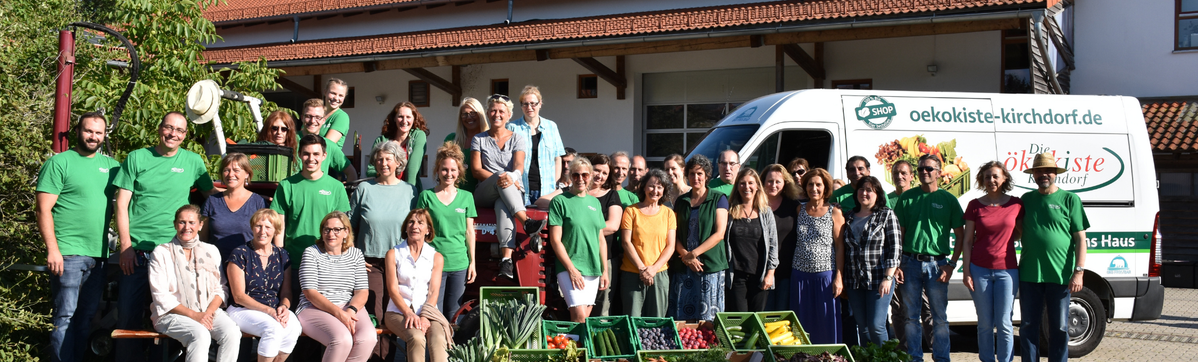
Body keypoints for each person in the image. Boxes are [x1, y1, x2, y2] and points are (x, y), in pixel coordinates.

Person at [114, 112, 215, 362]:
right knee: (128, 318)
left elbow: (211, 196)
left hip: (175, 254)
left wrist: (248, 197)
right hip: (137, 252)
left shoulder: (192, 161)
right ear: (160, 129)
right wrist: (125, 246)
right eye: (168, 128)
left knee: (174, 316)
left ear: (185, 136)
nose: (173, 134)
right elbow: (121, 204)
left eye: (179, 131)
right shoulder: (137, 157)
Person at [38, 112, 119, 362]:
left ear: (104, 135)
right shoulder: (60, 162)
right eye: (88, 131)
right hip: (68, 253)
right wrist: (53, 250)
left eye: (98, 132)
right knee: (65, 317)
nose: (93, 136)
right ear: (78, 131)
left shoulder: (113, 166)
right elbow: (43, 209)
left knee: (86, 317)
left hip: (99, 254)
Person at [893, 154, 965, 362]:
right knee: (910, 317)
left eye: (929, 169)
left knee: (939, 317)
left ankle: (942, 358)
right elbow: (900, 234)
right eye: (921, 169)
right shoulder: (907, 198)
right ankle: (915, 358)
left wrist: (951, 264)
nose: (924, 172)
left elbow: (960, 236)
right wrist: (898, 264)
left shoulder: (949, 200)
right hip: (909, 263)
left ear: (939, 173)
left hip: (938, 265)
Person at [348, 140, 416, 361]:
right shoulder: (364, 189)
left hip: (400, 262)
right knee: (375, 316)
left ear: (398, 162)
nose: (383, 163)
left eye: (388, 159)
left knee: (395, 315)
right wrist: (354, 256)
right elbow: (349, 226)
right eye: (379, 159)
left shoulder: (410, 191)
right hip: (371, 263)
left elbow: (416, 227)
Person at [1018, 152, 1089, 362]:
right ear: (1033, 175)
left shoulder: (1070, 199)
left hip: (1060, 275)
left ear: (1055, 173)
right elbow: (1016, 229)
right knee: (1028, 325)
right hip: (1030, 273)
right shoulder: (1026, 200)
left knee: (1059, 327)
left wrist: (1079, 272)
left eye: (1047, 171)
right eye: (1039, 171)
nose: (1043, 174)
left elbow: (1081, 239)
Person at [148, 205, 239, 362]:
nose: (187, 227)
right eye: (182, 222)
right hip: (170, 314)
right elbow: (161, 297)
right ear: (175, 224)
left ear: (200, 225)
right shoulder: (161, 252)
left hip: (206, 311)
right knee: (200, 334)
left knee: (232, 332)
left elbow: (221, 288)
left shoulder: (211, 250)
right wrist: (195, 316)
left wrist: (208, 313)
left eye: (191, 222)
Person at [472, 94, 546, 280]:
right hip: (485, 192)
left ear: (508, 115)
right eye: (493, 111)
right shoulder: (479, 139)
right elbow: (476, 170)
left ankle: (506, 260)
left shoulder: (518, 138)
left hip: (509, 191)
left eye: (501, 111)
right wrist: (499, 179)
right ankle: (525, 220)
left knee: (503, 206)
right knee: (500, 179)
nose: (497, 114)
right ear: (488, 114)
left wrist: (511, 177)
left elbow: (519, 166)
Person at [961, 161, 1023, 362]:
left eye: (995, 176)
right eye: (987, 177)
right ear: (982, 179)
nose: (991, 180)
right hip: (979, 270)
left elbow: (1021, 233)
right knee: (985, 323)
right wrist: (966, 271)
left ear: (1004, 178)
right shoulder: (975, 205)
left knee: (1005, 323)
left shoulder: (1016, 204)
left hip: (1007, 271)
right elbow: (968, 240)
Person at [297, 212, 376, 362]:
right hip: (314, 307)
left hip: (348, 306)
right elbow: (310, 293)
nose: (331, 234)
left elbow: (362, 292)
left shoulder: (356, 254)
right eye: (326, 229)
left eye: (336, 230)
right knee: (342, 340)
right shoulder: (312, 253)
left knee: (368, 338)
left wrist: (350, 310)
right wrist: (339, 314)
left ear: (346, 232)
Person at [271, 135, 351, 281]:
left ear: (324, 155)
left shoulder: (337, 187)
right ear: (299, 154)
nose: (311, 158)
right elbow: (279, 226)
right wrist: (279, 256)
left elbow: (343, 228)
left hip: (327, 261)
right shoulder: (286, 185)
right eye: (306, 153)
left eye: (316, 154)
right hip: (294, 261)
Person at [226, 209, 302, 362]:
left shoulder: (282, 255)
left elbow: (286, 292)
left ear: (276, 230)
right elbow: (239, 296)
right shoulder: (240, 254)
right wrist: (268, 311)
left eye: (268, 227)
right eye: (258, 226)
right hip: (242, 309)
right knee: (272, 329)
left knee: (294, 328)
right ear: (252, 227)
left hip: (273, 309)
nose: (262, 231)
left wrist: (284, 307)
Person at [384, 209, 454, 362]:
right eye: (411, 222)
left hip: (428, 312)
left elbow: (434, 291)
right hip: (397, 312)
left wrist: (424, 316)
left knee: (438, 338)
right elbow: (393, 290)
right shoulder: (393, 254)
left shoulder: (436, 257)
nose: (414, 226)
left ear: (428, 230)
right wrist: (408, 313)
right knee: (416, 337)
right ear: (405, 227)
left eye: (420, 222)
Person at [417, 142, 478, 317]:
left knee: (454, 313)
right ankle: (435, 345)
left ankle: (450, 345)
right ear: (437, 170)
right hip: (433, 263)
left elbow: (469, 232)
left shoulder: (467, 197)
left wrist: (472, 262)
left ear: (459, 172)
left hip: (459, 263)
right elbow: (419, 230)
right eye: (444, 169)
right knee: (433, 311)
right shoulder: (426, 196)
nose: (448, 174)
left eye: (453, 170)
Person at [842, 176, 902, 346]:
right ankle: (869, 358)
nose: (865, 193)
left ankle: (886, 357)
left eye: (869, 190)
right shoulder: (848, 217)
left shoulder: (886, 215)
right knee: (863, 327)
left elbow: (895, 248)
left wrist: (888, 278)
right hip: (854, 281)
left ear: (878, 194)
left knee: (876, 326)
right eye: (861, 189)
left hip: (879, 280)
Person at [548, 157, 609, 322]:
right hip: (570, 267)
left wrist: (604, 271)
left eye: (584, 175)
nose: (580, 179)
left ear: (590, 176)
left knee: (583, 320)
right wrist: (571, 269)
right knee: (579, 316)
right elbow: (555, 240)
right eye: (575, 175)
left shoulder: (595, 203)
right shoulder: (559, 201)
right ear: (570, 176)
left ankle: (574, 346)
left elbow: (601, 240)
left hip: (593, 267)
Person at [672, 154, 729, 321]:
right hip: (684, 266)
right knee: (682, 316)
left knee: (708, 317)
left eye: (699, 174)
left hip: (708, 265)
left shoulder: (719, 199)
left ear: (706, 176)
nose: (695, 178)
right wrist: (685, 255)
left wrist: (693, 254)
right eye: (691, 174)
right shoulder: (681, 201)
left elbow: (719, 234)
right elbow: (673, 232)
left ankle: (710, 347)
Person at [792, 168, 845, 344]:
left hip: (825, 276)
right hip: (800, 275)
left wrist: (838, 276)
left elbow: (839, 246)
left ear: (826, 187)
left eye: (818, 185)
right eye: (810, 184)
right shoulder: (800, 209)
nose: (814, 188)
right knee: (802, 324)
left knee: (825, 323)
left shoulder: (834, 212)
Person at [886, 159, 931, 348]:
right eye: (896, 173)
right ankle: (904, 349)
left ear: (912, 176)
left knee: (927, 308)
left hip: (917, 260)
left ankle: (934, 347)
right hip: (896, 261)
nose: (899, 177)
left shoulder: (921, 197)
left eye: (904, 173)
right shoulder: (887, 199)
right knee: (898, 309)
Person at [619, 169, 676, 317]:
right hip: (632, 273)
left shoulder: (668, 213)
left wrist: (653, 269)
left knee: (656, 321)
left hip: (659, 273)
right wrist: (642, 269)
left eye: (659, 187)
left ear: (664, 190)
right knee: (632, 319)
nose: (655, 190)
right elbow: (626, 242)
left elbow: (670, 246)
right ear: (643, 187)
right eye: (651, 186)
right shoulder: (631, 211)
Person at [725, 168, 779, 312]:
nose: (746, 187)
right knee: (740, 319)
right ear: (737, 186)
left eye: (750, 183)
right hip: (736, 276)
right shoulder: (730, 211)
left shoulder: (766, 212)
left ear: (757, 186)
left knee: (757, 319)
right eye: (742, 183)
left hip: (759, 275)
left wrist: (770, 274)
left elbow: (773, 245)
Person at [200, 153, 267, 260]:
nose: (231, 174)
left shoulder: (258, 202)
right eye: (226, 170)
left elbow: (266, 239)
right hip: (216, 264)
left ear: (247, 174)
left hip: (248, 264)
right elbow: (202, 240)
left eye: (236, 170)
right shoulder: (211, 202)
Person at [509, 85, 566, 205]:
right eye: (525, 104)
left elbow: (557, 158)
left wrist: (555, 185)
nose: (529, 107)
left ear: (540, 104)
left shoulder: (551, 127)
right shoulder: (512, 128)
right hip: (521, 189)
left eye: (533, 103)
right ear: (521, 106)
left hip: (546, 190)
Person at [587, 154, 625, 317]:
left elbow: (613, 225)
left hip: (606, 258)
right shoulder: (575, 192)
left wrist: (581, 232)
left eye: (604, 173)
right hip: (579, 257)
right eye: (596, 170)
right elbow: (542, 201)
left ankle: (598, 337)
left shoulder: (611, 195)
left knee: (603, 303)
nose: (599, 176)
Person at [760, 164, 800, 312]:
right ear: (763, 182)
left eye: (778, 182)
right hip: (762, 270)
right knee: (764, 312)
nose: (773, 185)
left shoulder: (793, 206)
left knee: (781, 314)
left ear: (785, 183)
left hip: (786, 270)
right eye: (770, 181)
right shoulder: (757, 204)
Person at [369, 102, 428, 191]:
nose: (404, 121)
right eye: (400, 116)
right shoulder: (381, 140)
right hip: (384, 189)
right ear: (394, 119)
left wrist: (408, 192)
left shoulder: (418, 136)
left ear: (414, 119)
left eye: (408, 117)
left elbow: (412, 168)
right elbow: (371, 169)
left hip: (409, 189)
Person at [299, 99, 352, 177]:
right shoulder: (290, 139)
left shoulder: (329, 145)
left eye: (317, 117)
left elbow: (351, 172)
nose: (313, 121)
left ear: (323, 120)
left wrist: (341, 189)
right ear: (302, 117)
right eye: (308, 116)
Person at [445, 97, 489, 192]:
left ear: (480, 115)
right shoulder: (451, 139)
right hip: (454, 195)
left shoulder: (489, 140)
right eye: (464, 114)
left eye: (473, 113)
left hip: (481, 196)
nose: (469, 117)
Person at [320, 78, 350, 150]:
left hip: (327, 159)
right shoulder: (316, 113)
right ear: (325, 92)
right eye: (333, 93)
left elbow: (327, 144)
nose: (336, 98)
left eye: (341, 95)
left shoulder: (342, 117)